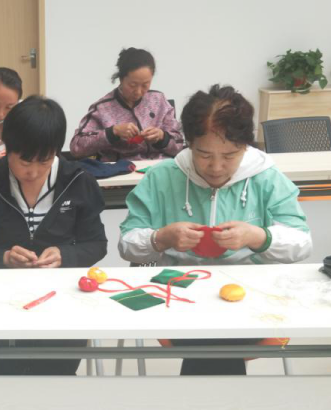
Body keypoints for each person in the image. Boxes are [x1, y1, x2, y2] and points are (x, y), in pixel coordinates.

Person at [118, 84, 313, 375]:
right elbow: (126, 244)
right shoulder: (162, 178)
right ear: (189, 144)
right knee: (210, 334)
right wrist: (161, 238)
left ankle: (207, 397)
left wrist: (258, 236)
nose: (217, 167)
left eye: (230, 155)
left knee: (221, 334)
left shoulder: (267, 179)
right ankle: (221, 398)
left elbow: (302, 244)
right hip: (179, 287)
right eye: (204, 154)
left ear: (245, 146)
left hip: (249, 288)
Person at [0, 95, 108, 375]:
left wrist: (65, 255)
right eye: (25, 161)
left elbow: (97, 244)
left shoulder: (77, 182)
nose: (34, 171)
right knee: (8, 379)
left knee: (58, 378)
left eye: (45, 161)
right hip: (3, 306)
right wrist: (3, 258)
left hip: (62, 305)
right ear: (8, 149)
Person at [70, 48, 184, 162]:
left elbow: (178, 145)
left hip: (159, 167)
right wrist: (112, 132)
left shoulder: (159, 101)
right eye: (132, 85)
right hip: (121, 170)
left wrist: (162, 137)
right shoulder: (102, 108)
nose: (138, 92)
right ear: (121, 79)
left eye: (145, 85)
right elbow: (76, 148)